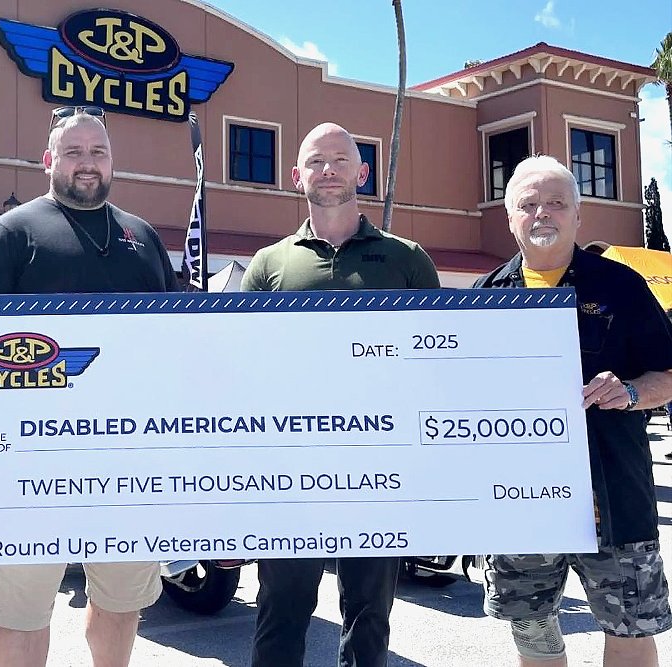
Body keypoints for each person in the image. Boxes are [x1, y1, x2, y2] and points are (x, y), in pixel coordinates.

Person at [0, 106, 179, 667]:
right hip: (30, 460)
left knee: (121, 600)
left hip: (128, 457)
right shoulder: (10, 235)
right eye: (73, 152)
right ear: (47, 160)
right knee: (22, 607)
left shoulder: (143, 237)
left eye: (97, 152)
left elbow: (177, 341)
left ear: (112, 162)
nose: (87, 163)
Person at [242, 122, 440, 667]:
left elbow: (440, 362)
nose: (327, 170)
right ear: (296, 175)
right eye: (315, 161)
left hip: (379, 467)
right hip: (290, 470)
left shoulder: (407, 259)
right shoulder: (269, 264)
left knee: (369, 615)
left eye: (339, 160)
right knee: (281, 609)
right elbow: (244, 368)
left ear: (362, 171)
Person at [474, 155, 672, 667]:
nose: (543, 213)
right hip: (521, 504)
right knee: (533, 631)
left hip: (613, 494)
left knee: (629, 628)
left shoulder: (622, 286)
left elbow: (667, 375)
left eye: (557, 203)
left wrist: (628, 391)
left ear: (578, 216)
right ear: (510, 217)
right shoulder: (485, 298)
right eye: (530, 204)